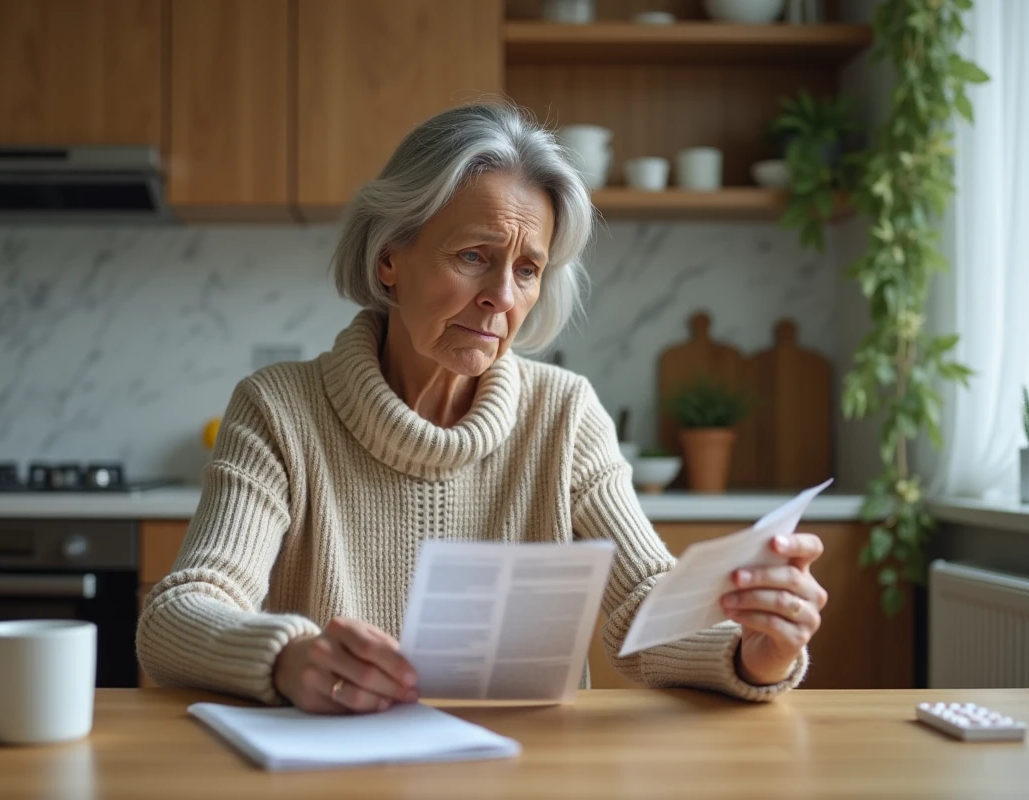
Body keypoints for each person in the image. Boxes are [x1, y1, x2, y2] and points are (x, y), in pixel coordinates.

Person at [136, 102, 828, 713]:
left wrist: (754, 651)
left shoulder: (564, 414)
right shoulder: (280, 409)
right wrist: (287, 659)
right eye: (474, 255)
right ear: (389, 259)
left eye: (528, 269)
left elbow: (640, 611)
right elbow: (175, 617)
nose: (504, 295)